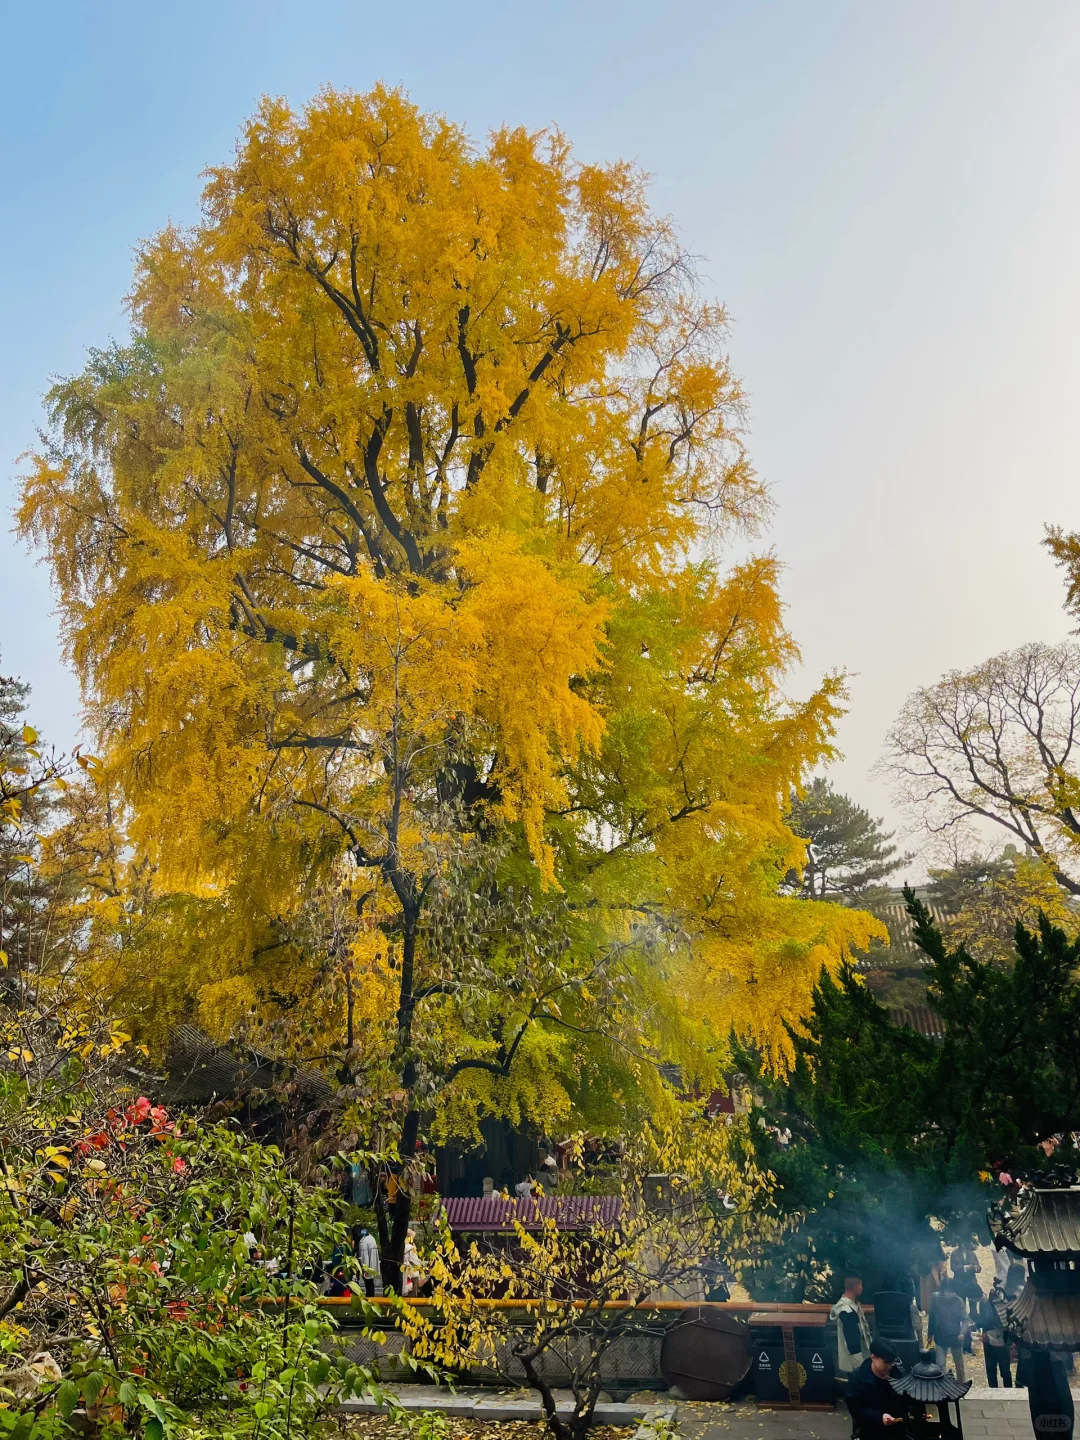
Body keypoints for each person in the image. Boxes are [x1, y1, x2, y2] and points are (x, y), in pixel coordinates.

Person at [846, 1338, 908, 1440]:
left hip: (896, 1428)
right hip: (870, 1429)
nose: (889, 1366)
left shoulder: (898, 1374)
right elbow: (855, 1408)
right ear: (873, 1357)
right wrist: (879, 1417)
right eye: (885, 1363)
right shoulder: (858, 1378)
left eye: (891, 1362)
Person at [831, 1273, 872, 1376]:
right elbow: (852, 1340)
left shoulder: (853, 1306)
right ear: (856, 1287)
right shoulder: (847, 1311)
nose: (862, 1288)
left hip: (860, 1357)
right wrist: (859, 1364)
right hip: (853, 1363)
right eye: (861, 1285)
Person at [929, 1279, 967, 1381]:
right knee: (940, 1364)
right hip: (940, 1335)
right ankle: (944, 1384)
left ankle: (961, 1384)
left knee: (959, 1365)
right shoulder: (936, 1298)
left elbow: (965, 1319)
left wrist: (962, 1333)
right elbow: (932, 1317)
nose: (949, 1294)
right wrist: (930, 1334)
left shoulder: (958, 1301)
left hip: (955, 1336)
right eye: (947, 1291)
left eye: (951, 1291)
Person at [977, 1283, 1012, 1388]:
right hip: (991, 1340)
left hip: (1001, 1342)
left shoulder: (1003, 1307)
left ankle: (1007, 1390)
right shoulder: (985, 1305)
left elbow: (1005, 1326)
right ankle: (994, 1389)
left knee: (1004, 1370)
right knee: (992, 1369)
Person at [357, 1226, 379, 1299]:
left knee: (368, 1285)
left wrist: (365, 1269)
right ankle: (371, 1298)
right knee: (371, 1284)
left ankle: (369, 1299)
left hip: (367, 1266)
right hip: (373, 1265)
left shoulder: (363, 1242)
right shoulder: (371, 1238)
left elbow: (364, 1257)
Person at [402, 1229, 422, 1296]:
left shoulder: (400, 1247)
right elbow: (415, 1261)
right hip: (412, 1274)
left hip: (403, 1273)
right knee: (412, 1295)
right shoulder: (410, 1248)